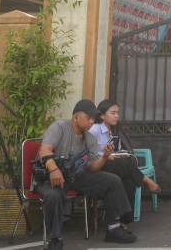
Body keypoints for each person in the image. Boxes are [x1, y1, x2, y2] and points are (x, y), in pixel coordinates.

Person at [36, 100, 137, 250]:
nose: (91, 122)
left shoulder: (90, 138)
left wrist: (104, 157)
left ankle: (114, 229)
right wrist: (53, 169)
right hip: (52, 176)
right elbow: (44, 149)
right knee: (54, 195)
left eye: (93, 119)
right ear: (76, 116)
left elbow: (92, 167)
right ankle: (55, 238)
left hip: (77, 176)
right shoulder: (60, 127)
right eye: (88, 118)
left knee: (113, 181)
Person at [89, 100, 161, 229]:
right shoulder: (94, 129)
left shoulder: (114, 130)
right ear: (102, 115)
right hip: (98, 165)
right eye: (113, 113)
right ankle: (145, 179)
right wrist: (106, 156)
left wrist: (118, 154)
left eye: (117, 113)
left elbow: (116, 150)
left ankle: (123, 222)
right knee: (123, 165)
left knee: (129, 180)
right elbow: (88, 155)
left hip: (113, 164)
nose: (116, 116)